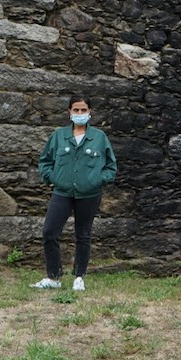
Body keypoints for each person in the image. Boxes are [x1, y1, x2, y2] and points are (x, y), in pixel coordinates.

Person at [32, 95, 117, 291]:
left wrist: (97, 180)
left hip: (89, 194)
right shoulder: (59, 136)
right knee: (49, 232)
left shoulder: (99, 137)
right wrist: (52, 178)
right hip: (62, 192)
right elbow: (45, 161)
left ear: (90, 112)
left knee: (83, 235)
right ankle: (53, 277)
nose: (79, 114)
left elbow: (111, 167)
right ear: (69, 112)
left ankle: (79, 277)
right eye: (76, 110)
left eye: (83, 110)